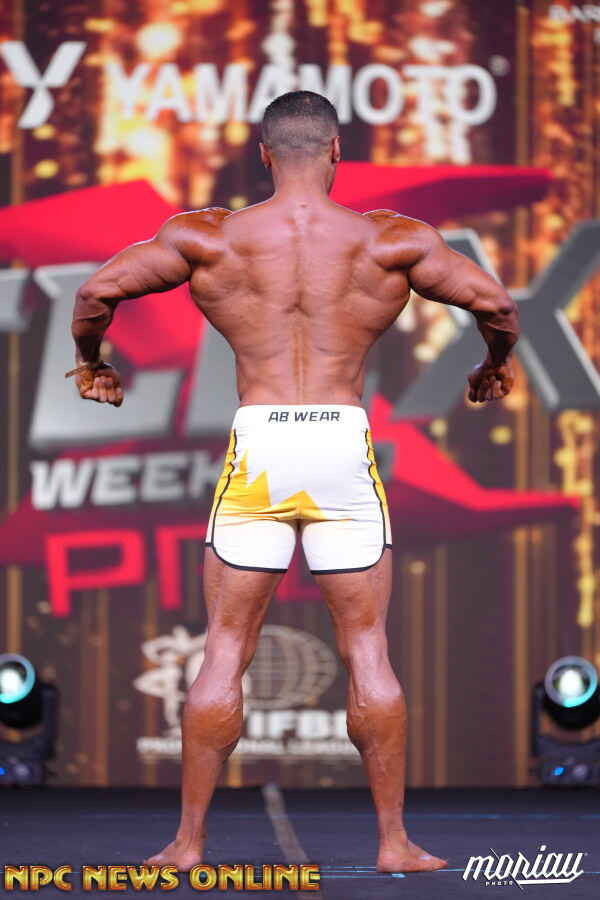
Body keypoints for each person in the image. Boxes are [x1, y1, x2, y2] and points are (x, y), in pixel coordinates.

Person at [68, 91, 518, 873]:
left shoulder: (210, 237)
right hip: (341, 443)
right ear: (337, 151)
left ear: (265, 154)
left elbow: (94, 293)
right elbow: (498, 305)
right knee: (368, 648)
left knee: (224, 647)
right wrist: (492, 364)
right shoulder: (391, 240)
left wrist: (92, 362)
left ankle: (188, 844)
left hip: (262, 445)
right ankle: (393, 844)